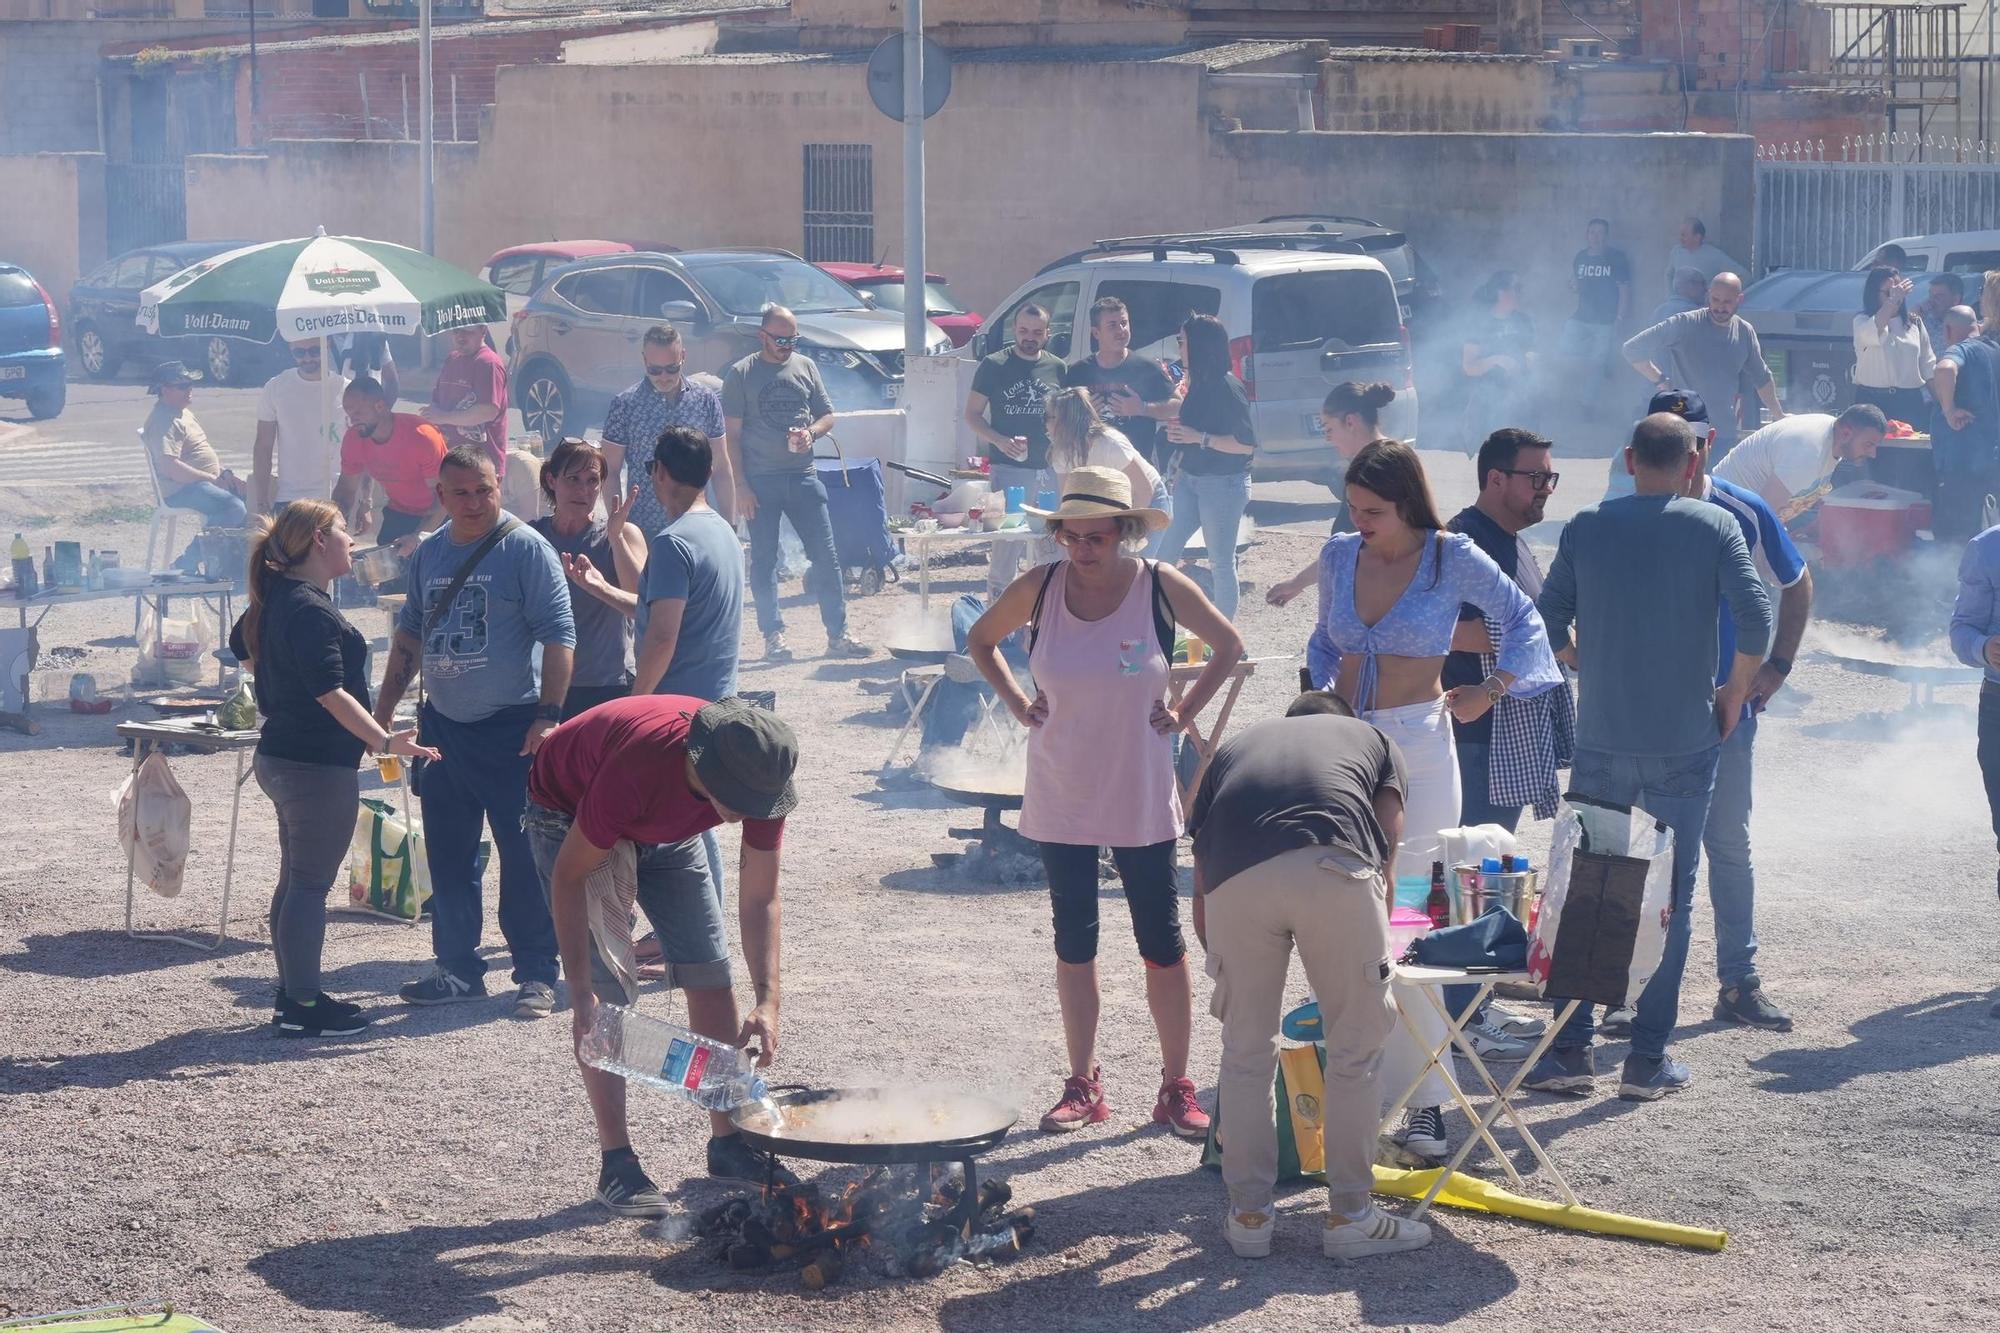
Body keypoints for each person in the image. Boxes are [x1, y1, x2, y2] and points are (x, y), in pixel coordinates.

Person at [1275, 438, 1561, 1158]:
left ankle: (1428, 1104)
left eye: (1372, 509)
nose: (1359, 519)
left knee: (1409, 925)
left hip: (1421, 751)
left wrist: (1492, 689)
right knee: (1340, 916)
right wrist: (1312, 708)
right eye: (1352, 506)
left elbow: (1527, 621)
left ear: (1406, 501)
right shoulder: (1341, 554)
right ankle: (1356, 1086)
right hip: (1343, 748)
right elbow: (1320, 642)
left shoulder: (1449, 555)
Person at [966, 467, 1245, 1140]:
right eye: (1072, 536)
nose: (1084, 549)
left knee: (1161, 940)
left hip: (1139, 788)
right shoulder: (1041, 585)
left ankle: (1176, 1085)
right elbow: (981, 640)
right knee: (1075, 939)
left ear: (1124, 532)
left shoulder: (1157, 585)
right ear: (1058, 533)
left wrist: (1183, 713)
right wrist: (1014, 700)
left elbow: (1230, 646)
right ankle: (1083, 1082)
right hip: (1062, 787)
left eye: (1098, 537)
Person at [1527, 414, 1772, 1102]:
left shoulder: (1586, 526)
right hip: (1682, 744)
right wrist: (1735, 690)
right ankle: (1645, 1059)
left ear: (1630, 458)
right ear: (1693, 464)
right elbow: (1756, 618)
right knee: (1671, 898)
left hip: (1603, 739)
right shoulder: (1714, 525)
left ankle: (1570, 1049)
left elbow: (1543, 620)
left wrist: (1582, 659)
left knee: (1592, 890)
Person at [1191, 691, 1432, 1261]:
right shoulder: (1373, 740)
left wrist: (1218, 946)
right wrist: (1375, 941)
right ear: (1341, 723)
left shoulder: (1238, 745)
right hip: (1334, 865)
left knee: (1245, 1051)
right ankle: (1351, 1214)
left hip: (1234, 879)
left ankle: (1249, 1215)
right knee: (1355, 1047)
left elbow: (1202, 859)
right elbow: (1387, 838)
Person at [530, 695, 798, 1210]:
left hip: (669, 825)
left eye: (755, 804)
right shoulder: (639, 767)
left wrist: (769, 1000)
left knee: (710, 973)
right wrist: (580, 992)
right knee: (605, 1007)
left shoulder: (759, 778)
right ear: (701, 767)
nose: (746, 816)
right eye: (737, 801)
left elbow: (761, 895)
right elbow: (569, 875)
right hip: (568, 809)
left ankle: (728, 1142)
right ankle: (618, 1164)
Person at [373, 447, 576, 1018]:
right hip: (443, 727)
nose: (474, 502)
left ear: (500, 489)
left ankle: (537, 973)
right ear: (441, 496)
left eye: (484, 490)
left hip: (512, 727)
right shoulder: (431, 554)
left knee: (522, 855)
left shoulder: (525, 549)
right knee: (449, 856)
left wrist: (549, 714)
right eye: (461, 492)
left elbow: (561, 635)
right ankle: (457, 968)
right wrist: (382, 714)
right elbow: (409, 637)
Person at [227, 500, 437, 1037]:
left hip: (285, 756)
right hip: (313, 765)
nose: (352, 540)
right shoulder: (309, 608)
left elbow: (240, 646)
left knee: (296, 882)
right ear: (320, 540)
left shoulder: (278, 598)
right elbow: (329, 691)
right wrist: (384, 740)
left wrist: (278, 686)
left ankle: (294, 994)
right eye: (344, 531)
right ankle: (300, 1004)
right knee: (308, 886)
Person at [1640, 389, 1811, 1034]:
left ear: (1705, 445)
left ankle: (1738, 983)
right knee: (1648, 851)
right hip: (1648, 714)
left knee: (1727, 845)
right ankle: (1639, 993)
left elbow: (1796, 584)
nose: (1681, 454)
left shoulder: (1743, 510)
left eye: (1690, 440)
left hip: (1725, 712)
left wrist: (1777, 667)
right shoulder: (1626, 512)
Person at [1437, 428, 1575, 1056]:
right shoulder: (1462, 542)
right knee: (1472, 872)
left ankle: (1474, 996)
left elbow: (1536, 625)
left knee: (1489, 870)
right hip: (1474, 736)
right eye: (1535, 477)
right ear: (1496, 479)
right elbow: (1442, 627)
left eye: (1550, 477)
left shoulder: (1513, 544)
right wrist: (1504, 666)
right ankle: (1464, 1014)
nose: (1546, 487)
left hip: (1501, 735)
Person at [724, 304, 867, 661]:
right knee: (764, 560)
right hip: (760, 480)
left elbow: (827, 415)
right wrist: (740, 486)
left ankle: (838, 635)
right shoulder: (741, 373)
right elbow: (731, 436)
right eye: (781, 339)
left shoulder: (806, 366)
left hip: (803, 475)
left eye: (793, 339)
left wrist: (811, 433)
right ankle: (774, 637)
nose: (788, 345)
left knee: (826, 557)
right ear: (762, 336)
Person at [530, 439, 644, 719]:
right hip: (546, 689)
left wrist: (615, 540)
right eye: (573, 479)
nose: (583, 490)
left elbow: (644, 606)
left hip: (608, 687)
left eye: (593, 480)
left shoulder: (622, 534)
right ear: (551, 480)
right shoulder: (532, 539)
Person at [1157, 313, 1257, 620]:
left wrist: (1199, 438)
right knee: (1164, 556)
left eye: (1182, 342)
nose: (1179, 349)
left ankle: (1224, 640)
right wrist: (1180, 440)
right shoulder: (1197, 382)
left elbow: (1246, 443)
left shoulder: (1228, 386)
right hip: (1191, 479)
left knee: (1221, 562)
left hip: (1224, 484)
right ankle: (1157, 626)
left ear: (1199, 345)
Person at [1624, 273, 1784, 454]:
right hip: (1684, 431)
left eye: (1727, 302)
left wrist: (1779, 415)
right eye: (1715, 300)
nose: (1720, 307)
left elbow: (1761, 377)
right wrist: (1660, 380)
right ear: (1708, 295)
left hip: (1723, 434)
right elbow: (1632, 349)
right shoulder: (1684, 323)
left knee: (1714, 482)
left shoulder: (1744, 332)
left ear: (1739, 299)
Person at [599, 324, 735, 534]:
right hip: (644, 529)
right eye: (655, 369)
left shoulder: (705, 400)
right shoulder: (625, 404)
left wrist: (729, 526)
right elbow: (610, 471)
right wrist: (618, 526)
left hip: (697, 526)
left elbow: (722, 468)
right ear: (644, 361)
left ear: (683, 356)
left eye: (671, 368)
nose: (663, 376)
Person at [142, 361, 247, 566]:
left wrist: (225, 474)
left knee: (255, 500)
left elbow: (201, 451)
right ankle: (187, 562)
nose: (189, 389)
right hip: (180, 489)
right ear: (165, 390)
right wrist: (211, 479)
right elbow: (170, 468)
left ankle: (234, 566)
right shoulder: (163, 420)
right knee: (233, 507)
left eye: (190, 384)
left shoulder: (183, 413)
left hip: (201, 483)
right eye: (182, 386)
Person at [1711, 403, 1888, 522]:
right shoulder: (1809, 454)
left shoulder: (1831, 435)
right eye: (1868, 444)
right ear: (1847, 433)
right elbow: (1762, 515)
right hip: (1726, 515)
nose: (1872, 454)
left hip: (1744, 515)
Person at [333, 374, 446, 558]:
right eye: (349, 414)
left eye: (358, 413)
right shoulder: (354, 438)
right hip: (399, 511)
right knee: (387, 576)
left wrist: (419, 536)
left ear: (380, 406)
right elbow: (346, 489)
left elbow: (444, 496)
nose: (352, 420)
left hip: (437, 515)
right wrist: (334, 524)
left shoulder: (422, 436)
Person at [1044, 387, 1168, 554]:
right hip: (1110, 506)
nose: (1045, 423)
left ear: (1067, 420)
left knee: (1136, 568)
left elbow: (1144, 490)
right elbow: (1068, 499)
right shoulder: (1060, 451)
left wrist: (1122, 532)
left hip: (1147, 503)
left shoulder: (1109, 444)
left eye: (1049, 417)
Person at [967, 303, 1067, 506]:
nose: (1030, 337)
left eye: (1037, 332)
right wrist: (999, 441)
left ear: (1048, 333)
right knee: (1010, 535)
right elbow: (972, 414)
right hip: (1008, 469)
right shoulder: (993, 365)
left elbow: (1065, 417)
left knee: (1048, 534)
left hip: (1050, 469)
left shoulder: (1058, 367)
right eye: (1024, 330)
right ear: (1014, 330)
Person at [1063, 296, 1180, 468]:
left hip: (1136, 468)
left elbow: (1177, 405)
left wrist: (1143, 408)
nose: (1121, 330)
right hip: (1091, 467)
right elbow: (1058, 420)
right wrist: (1083, 415)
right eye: (1112, 325)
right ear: (1096, 333)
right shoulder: (1078, 373)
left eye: (1124, 323)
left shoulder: (1147, 368)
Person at [1931, 279, 2000, 542]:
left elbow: (1945, 368)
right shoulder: (1994, 349)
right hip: (1992, 465)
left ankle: (1956, 584)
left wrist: (1949, 410)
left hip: (1961, 465)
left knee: (1956, 541)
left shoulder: (1965, 349)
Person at [251, 339, 350, 516]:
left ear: (326, 347)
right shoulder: (276, 387)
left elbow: (361, 449)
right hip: (289, 498)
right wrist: (261, 501)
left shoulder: (345, 389)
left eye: (314, 351)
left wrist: (365, 500)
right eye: (299, 353)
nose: (307, 358)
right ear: (291, 350)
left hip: (333, 497)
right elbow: (263, 447)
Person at [1852, 265, 1936, 425]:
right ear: (1874, 294)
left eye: (1901, 291)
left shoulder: (1914, 323)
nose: (1898, 296)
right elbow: (1874, 332)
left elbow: (1928, 367)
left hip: (1908, 402)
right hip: (1872, 401)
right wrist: (1892, 301)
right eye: (1890, 292)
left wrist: (1944, 406)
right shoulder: (1862, 322)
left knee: (1909, 449)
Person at [1460, 270, 1536, 442]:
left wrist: (1530, 361)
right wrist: (1498, 360)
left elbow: (1532, 351)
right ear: (1501, 292)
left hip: (1520, 397)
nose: (1520, 293)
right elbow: (1469, 367)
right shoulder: (1479, 323)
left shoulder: (1524, 320)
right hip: (1489, 402)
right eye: (1517, 288)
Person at [424, 325, 510, 476]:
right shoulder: (452, 359)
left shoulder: (488, 363)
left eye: (467, 331)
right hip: (450, 461)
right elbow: (437, 403)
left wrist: (443, 417)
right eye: (456, 331)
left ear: (483, 331)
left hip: (482, 466)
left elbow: (488, 411)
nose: (460, 336)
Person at [1561, 218, 1632, 385]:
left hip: (1606, 321)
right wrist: (1572, 286)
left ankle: (1587, 404)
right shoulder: (1580, 257)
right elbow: (1578, 286)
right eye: (1592, 232)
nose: (1595, 236)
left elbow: (1624, 290)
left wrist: (1620, 318)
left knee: (1597, 365)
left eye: (1600, 232)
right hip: (1581, 317)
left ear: (1606, 236)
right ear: (1587, 235)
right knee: (1565, 348)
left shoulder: (1616, 258)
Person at [1663, 216, 1740, 294]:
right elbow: (1669, 275)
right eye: (1680, 234)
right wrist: (1670, 294)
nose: (1680, 238)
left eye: (1684, 235)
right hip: (1679, 303)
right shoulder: (1676, 252)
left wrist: (1721, 295)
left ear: (1697, 237)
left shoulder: (1714, 255)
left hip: (1702, 304)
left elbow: (1743, 276)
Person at [331, 329, 398, 405]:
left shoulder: (375, 338)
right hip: (329, 412)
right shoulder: (319, 338)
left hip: (368, 411)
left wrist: (382, 412)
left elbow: (392, 381)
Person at [1921, 273, 1968, 347]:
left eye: (1938, 296)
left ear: (1956, 300)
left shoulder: (1966, 329)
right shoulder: (1925, 322)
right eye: (1930, 296)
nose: (1931, 301)